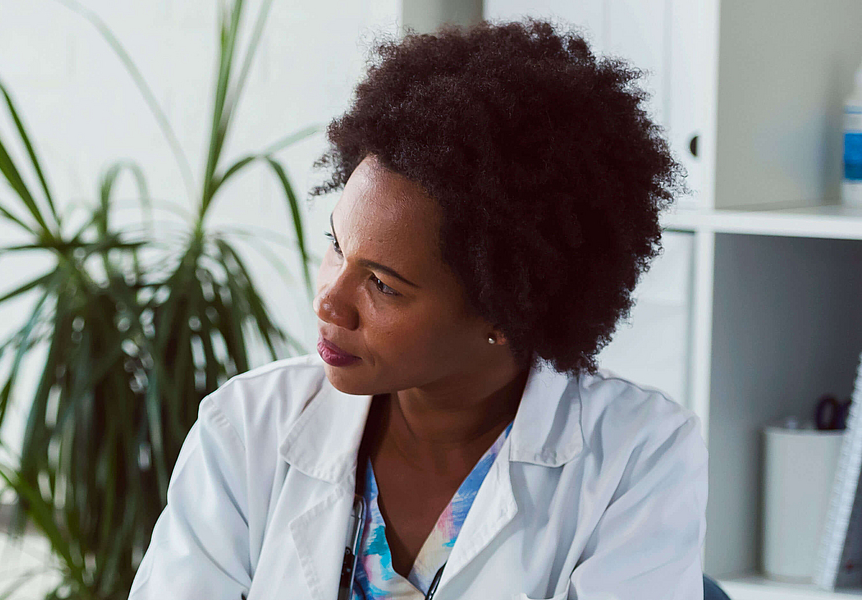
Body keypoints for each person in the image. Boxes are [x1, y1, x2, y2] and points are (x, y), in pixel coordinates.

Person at [130, 21, 698, 599]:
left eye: (382, 284)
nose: (329, 300)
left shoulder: (637, 456)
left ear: (503, 313)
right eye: (336, 246)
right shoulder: (246, 427)